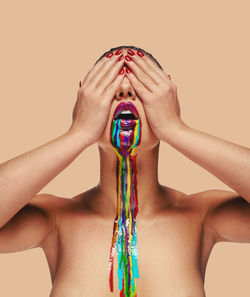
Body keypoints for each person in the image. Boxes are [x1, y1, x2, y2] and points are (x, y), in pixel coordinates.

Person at [0, 45, 250, 297]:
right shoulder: (55, 221)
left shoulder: (202, 216)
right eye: (107, 87)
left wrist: (175, 128)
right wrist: (78, 133)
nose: (125, 90)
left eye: (143, 85)